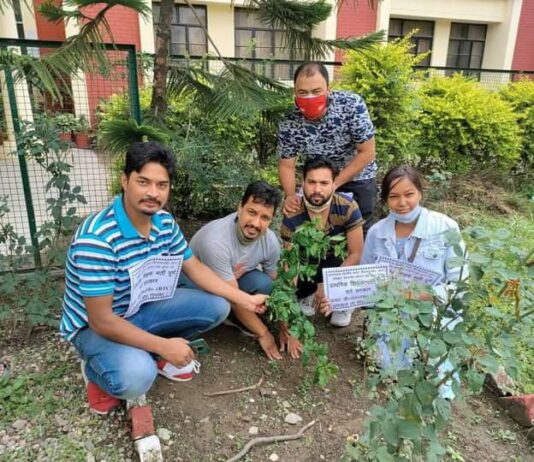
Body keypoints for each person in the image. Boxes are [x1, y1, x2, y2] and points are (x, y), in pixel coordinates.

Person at [59, 142, 267, 415]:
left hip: (141, 308)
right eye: (143, 182)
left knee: (218, 306)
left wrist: (245, 300)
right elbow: (101, 320)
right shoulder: (97, 239)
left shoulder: (164, 222)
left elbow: (195, 269)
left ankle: (149, 350)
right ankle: (96, 371)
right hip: (96, 328)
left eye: (162, 185)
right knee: (137, 377)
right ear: (125, 180)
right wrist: (163, 345)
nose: (153, 193)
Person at [361, 165, 467, 399]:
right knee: (390, 368)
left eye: (409, 194)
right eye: (394, 196)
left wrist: (415, 295)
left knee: (438, 376)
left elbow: (460, 285)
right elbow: (366, 277)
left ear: (420, 192)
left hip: (434, 311)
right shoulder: (377, 232)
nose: (402, 203)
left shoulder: (446, 228)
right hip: (392, 311)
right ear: (385, 199)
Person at [185, 181, 303, 360]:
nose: (256, 223)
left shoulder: (270, 241)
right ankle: (215, 322)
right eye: (252, 212)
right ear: (239, 208)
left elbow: (280, 286)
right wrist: (264, 333)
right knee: (221, 304)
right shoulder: (216, 242)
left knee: (265, 284)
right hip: (194, 287)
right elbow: (234, 297)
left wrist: (286, 328)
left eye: (265, 218)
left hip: (231, 278)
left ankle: (238, 317)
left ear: (272, 220)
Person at [277, 62, 377, 235]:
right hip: (317, 183)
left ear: (328, 89)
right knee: (315, 235)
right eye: (303, 92)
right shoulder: (289, 120)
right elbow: (287, 165)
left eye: (316, 91)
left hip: (357, 177)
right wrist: (291, 195)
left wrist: (334, 184)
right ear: (295, 92)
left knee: (360, 233)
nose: (310, 97)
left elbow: (367, 152)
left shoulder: (351, 105)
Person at [281, 157, 365, 327]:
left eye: (324, 183)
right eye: (311, 182)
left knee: (352, 264)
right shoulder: (292, 214)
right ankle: (309, 293)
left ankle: (343, 302)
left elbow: (356, 253)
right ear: (303, 183)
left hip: (338, 265)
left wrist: (331, 284)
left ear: (334, 184)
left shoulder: (347, 207)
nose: (317, 189)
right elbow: (291, 263)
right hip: (308, 266)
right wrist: (287, 304)